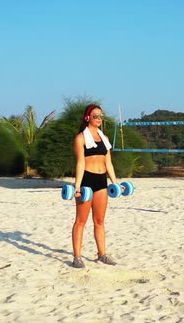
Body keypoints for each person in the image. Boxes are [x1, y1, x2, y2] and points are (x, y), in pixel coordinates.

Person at [71, 104, 119, 268]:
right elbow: (80, 163)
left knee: (99, 221)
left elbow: (109, 164)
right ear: (87, 118)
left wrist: (115, 184)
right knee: (81, 221)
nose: (99, 119)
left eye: (101, 116)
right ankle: (77, 257)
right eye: (96, 116)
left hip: (101, 182)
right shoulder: (80, 138)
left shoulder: (104, 138)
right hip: (87, 181)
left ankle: (102, 255)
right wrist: (77, 186)